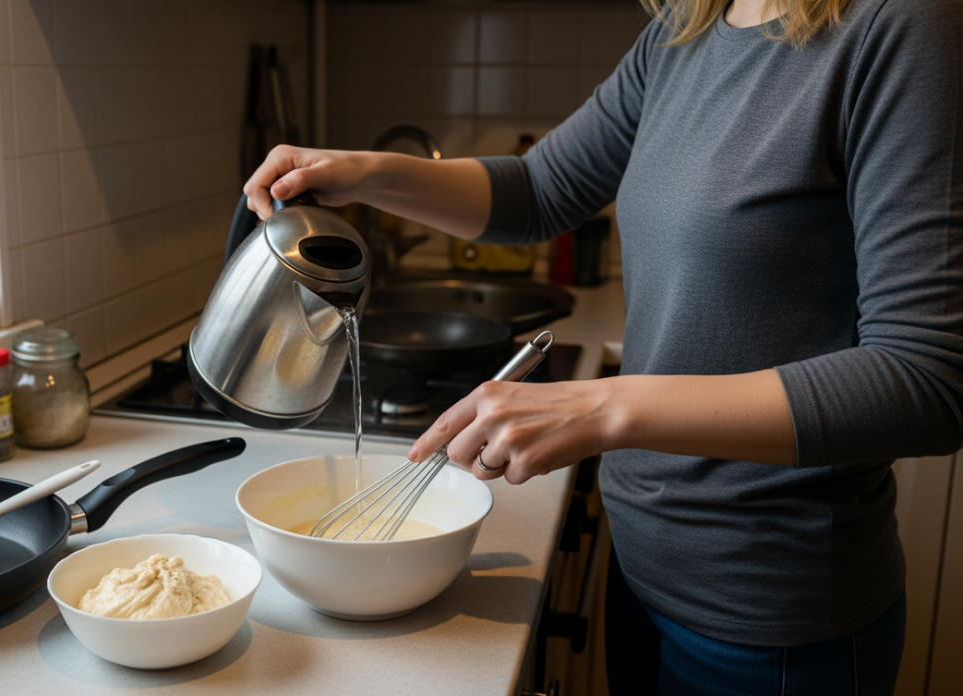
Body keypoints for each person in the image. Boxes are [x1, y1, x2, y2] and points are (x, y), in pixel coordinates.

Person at [242, 0, 963, 693]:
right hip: (643, 573)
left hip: (770, 620)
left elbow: (925, 379)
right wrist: (367, 174)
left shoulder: (897, 25)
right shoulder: (688, 30)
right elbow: (539, 190)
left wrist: (602, 407)